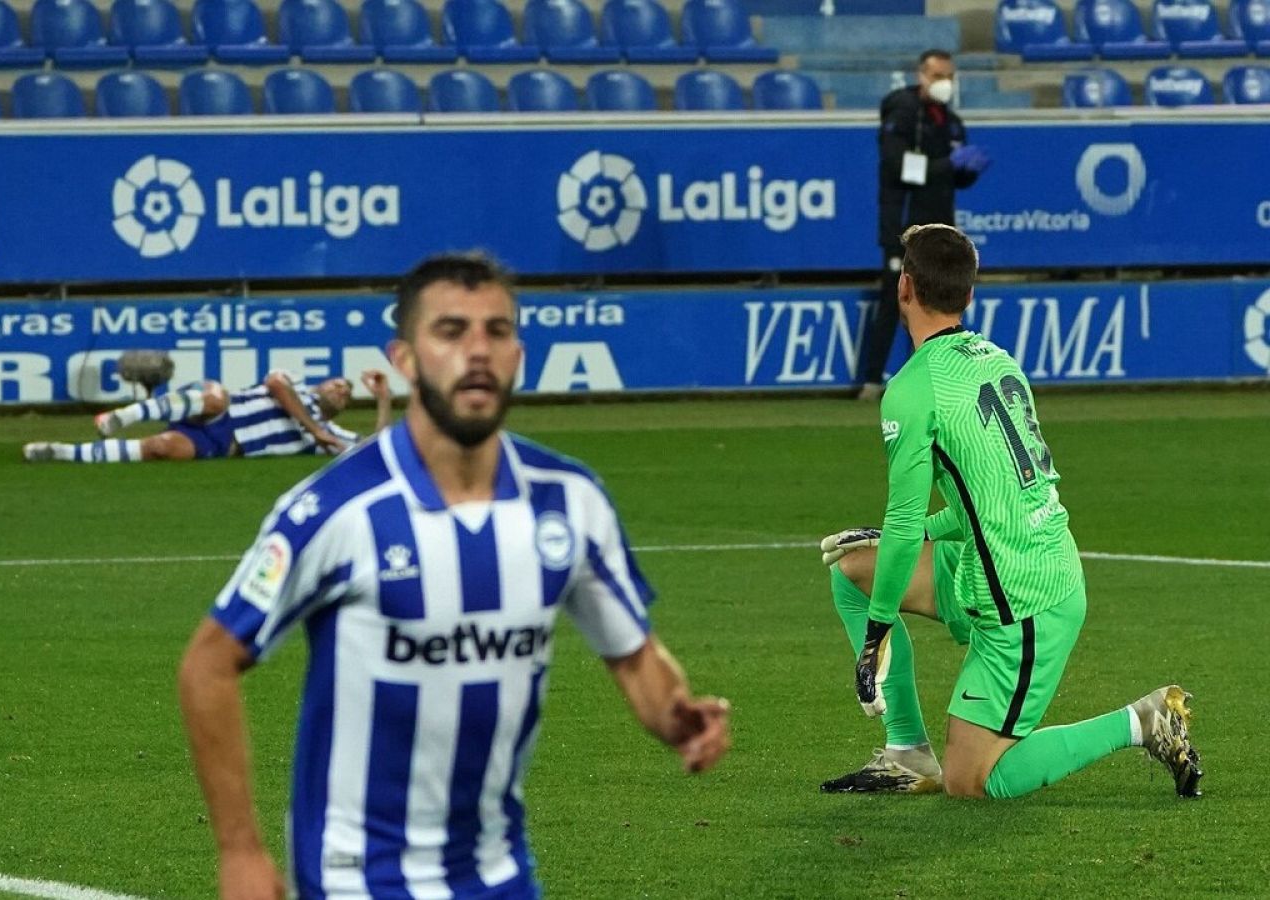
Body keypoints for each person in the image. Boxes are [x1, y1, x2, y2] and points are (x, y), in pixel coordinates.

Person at [177, 253, 731, 899]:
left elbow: (634, 655)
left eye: (496, 332)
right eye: (450, 331)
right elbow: (207, 664)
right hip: (356, 879)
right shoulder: (337, 510)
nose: (477, 351)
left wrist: (674, 716)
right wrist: (240, 852)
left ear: (518, 356)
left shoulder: (568, 499)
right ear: (405, 359)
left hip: (497, 873)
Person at [822, 224, 1202, 799]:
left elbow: (903, 521)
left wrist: (876, 634)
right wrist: (920, 532)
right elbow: (990, 499)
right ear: (969, 295)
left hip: (1025, 602)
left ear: (904, 288)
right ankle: (906, 752)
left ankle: (1144, 720)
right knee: (855, 568)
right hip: (997, 561)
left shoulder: (911, 390)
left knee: (972, 782)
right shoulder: (997, 361)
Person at [858, 49, 990, 402]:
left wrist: (967, 173)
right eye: (937, 76)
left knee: (942, 303)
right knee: (894, 300)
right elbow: (899, 165)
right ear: (921, 75)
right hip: (903, 225)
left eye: (949, 76)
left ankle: (941, 377)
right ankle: (872, 380)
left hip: (941, 228)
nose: (944, 83)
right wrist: (950, 164)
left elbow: (949, 179)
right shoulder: (903, 112)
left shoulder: (951, 120)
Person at [20, 370, 389, 463]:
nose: (341, 391)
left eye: (346, 394)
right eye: (337, 385)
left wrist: (384, 399)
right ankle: (123, 415)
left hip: (222, 443)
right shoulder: (295, 387)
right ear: (321, 384)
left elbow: (376, 450)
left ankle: (64, 452)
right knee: (214, 397)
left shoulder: (331, 431)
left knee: (163, 448)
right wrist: (314, 432)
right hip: (221, 411)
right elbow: (274, 383)